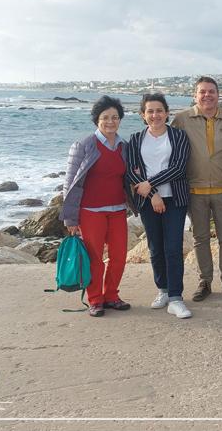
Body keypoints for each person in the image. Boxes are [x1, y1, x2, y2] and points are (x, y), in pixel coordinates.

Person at [171, 77, 222, 301]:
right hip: (194, 190)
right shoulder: (182, 119)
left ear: (218, 94)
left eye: (211, 91)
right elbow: (170, 151)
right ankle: (204, 281)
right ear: (195, 95)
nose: (207, 95)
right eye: (202, 92)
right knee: (200, 238)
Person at [60, 95, 132, 318]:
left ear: (120, 119)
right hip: (90, 212)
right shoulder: (84, 145)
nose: (110, 121)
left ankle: (111, 295)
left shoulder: (124, 146)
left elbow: (129, 177)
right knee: (94, 259)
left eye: (115, 117)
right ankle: (95, 300)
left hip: (118, 210)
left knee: (119, 257)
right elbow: (70, 183)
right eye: (105, 117)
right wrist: (71, 218)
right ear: (96, 120)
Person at [125, 93, 193, 319]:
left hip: (175, 199)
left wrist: (151, 184)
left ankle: (176, 298)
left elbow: (179, 168)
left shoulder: (178, 136)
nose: (155, 115)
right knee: (155, 247)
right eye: (150, 111)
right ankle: (162, 289)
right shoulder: (136, 139)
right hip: (147, 201)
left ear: (167, 113)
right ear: (143, 115)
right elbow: (131, 170)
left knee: (173, 247)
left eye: (159, 111)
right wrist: (153, 194)